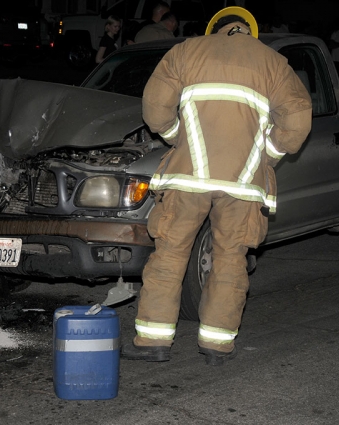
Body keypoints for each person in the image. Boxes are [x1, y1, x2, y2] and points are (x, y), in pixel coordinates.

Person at [121, 6, 312, 365]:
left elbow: (155, 108)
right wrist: (265, 154)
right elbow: (298, 122)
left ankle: (152, 342)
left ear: (214, 29)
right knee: (229, 258)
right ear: (249, 32)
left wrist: (179, 138)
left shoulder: (186, 51)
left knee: (171, 253)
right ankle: (216, 346)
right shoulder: (273, 63)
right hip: (243, 184)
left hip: (187, 178)